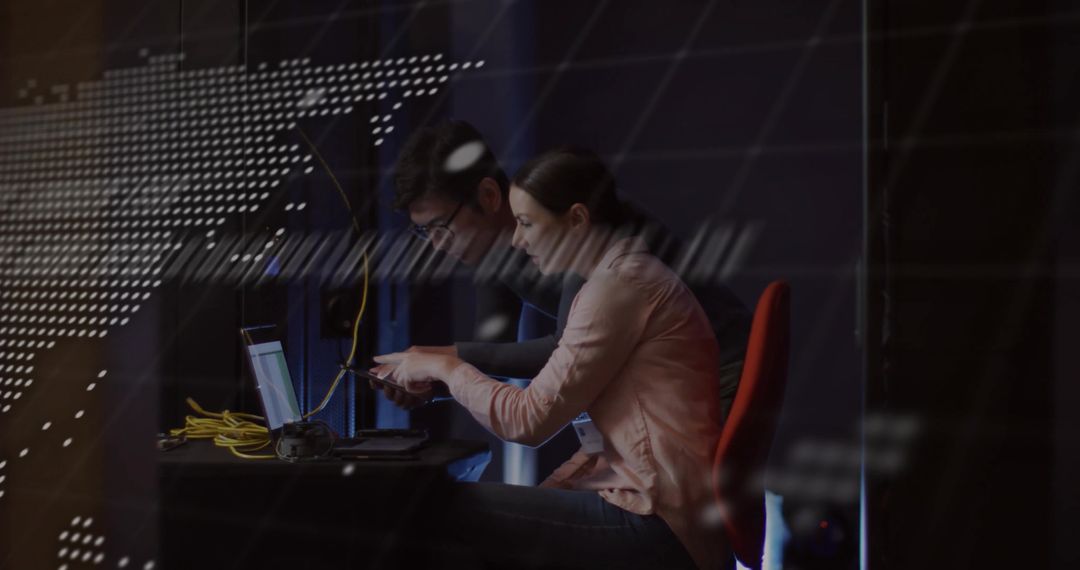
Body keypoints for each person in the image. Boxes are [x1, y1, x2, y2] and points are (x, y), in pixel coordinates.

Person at [375, 148, 731, 570]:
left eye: (527, 223)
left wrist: (446, 367)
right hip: (664, 513)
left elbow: (527, 422)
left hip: (658, 524)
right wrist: (549, 492)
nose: (518, 239)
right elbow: (603, 444)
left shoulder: (617, 288)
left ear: (577, 220)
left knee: (432, 508)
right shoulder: (622, 275)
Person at [382, 120, 750, 420]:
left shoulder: (571, 224)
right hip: (674, 386)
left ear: (489, 196)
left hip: (723, 371)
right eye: (423, 232)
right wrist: (429, 383)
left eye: (439, 226)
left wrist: (445, 359)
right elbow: (494, 353)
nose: (436, 243)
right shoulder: (493, 253)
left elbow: (563, 349)